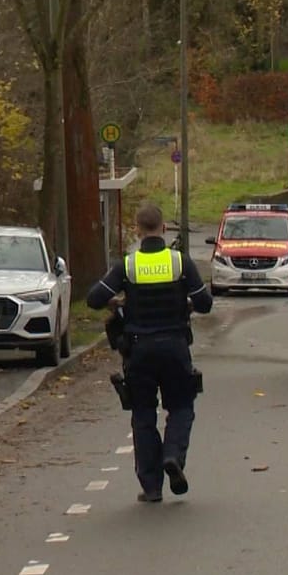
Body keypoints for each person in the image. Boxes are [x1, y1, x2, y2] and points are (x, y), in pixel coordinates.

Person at [87, 203, 213, 503]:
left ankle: (152, 486)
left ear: (138, 230)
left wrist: (116, 303)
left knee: (143, 414)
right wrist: (188, 303)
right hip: (175, 347)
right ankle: (172, 456)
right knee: (182, 407)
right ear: (163, 229)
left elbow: (94, 299)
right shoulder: (180, 262)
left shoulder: (127, 266)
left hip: (138, 350)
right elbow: (205, 303)